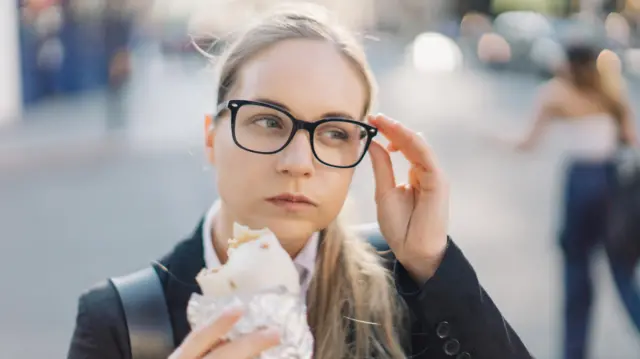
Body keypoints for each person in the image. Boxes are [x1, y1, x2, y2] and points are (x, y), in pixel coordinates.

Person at [67, 5, 531, 359]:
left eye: (333, 133)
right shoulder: (123, 322)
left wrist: (432, 265)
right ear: (212, 139)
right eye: (268, 121)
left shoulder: (407, 287)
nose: (297, 162)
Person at [516, 44, 640, 359]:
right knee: (622, 271)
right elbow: (631, 139)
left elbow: (527, 143)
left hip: (580, 180)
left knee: (576, 272)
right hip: (612, 182)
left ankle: (574, 353)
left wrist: (490, 139)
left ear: (568, 63)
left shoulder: (555, 93)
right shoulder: (612, 91)